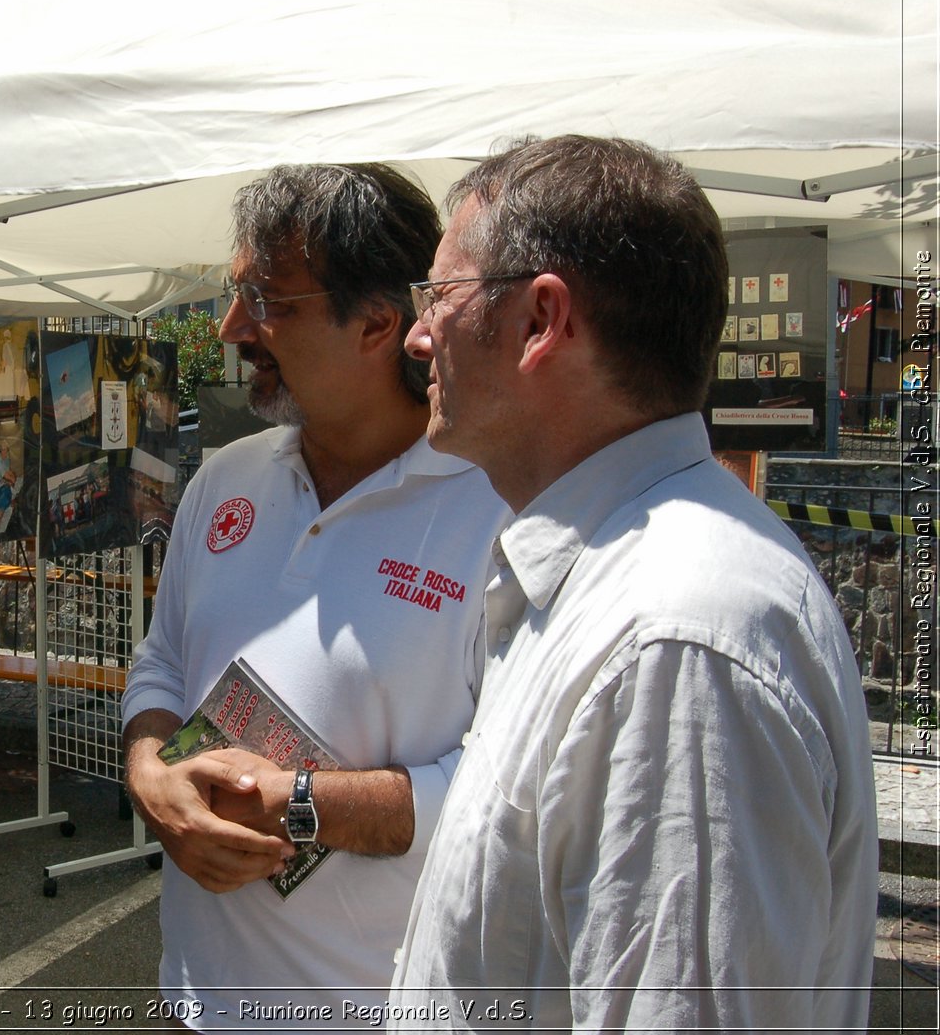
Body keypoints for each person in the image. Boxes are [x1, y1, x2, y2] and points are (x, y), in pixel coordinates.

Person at [390, 135, 877, 1029]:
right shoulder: (619, 587)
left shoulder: (675, 643)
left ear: (541, 322)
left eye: (440, 295)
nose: (419, 334)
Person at [121, 163, 510, 1027]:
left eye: (269, 301)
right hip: (196, 999)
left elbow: (508, 789)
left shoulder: (497, 513)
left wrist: (298, 802)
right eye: (237, 295)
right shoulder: (225, 479)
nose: (231, 329)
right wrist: (151, 773)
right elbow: (161, 662)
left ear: (378, 320)